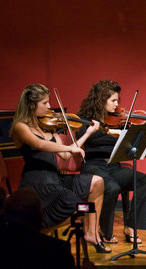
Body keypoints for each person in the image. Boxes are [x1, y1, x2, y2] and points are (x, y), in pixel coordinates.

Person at [10, 83, 110, 253]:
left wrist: (88, 133)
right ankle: (40, 231)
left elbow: (64, 156)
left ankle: (91, 234)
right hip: (37, 184)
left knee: (97, 182)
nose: (49, 107)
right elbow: (39, 144)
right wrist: (69, 148)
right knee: (78, 206)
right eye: (45, 103)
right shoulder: (21, 127)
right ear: (32, 105)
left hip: (56, 179)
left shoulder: (48, 126)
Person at [76, 80, 146, 244]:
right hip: (93, 167)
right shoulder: (85, 120)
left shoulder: (118, 121)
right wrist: (111, 132)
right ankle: (104, 230)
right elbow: (89, 137)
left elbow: (133, 141)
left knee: (143, 180)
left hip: (113, 167)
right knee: (112, 187)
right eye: (113, 100)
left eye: (117, 100)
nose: (117, 105)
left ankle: (131, 226)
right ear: (101, 100)